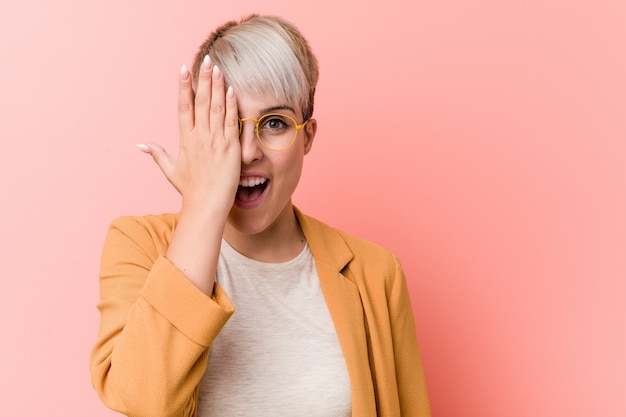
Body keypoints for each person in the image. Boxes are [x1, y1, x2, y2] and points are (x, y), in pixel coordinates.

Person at [89, 14, 431, 417]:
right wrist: (201, 208)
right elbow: (143, 400)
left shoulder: (376, 273)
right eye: (227, 124)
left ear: (307, 137)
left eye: (274, 123)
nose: (248, 151)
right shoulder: (139, 245)